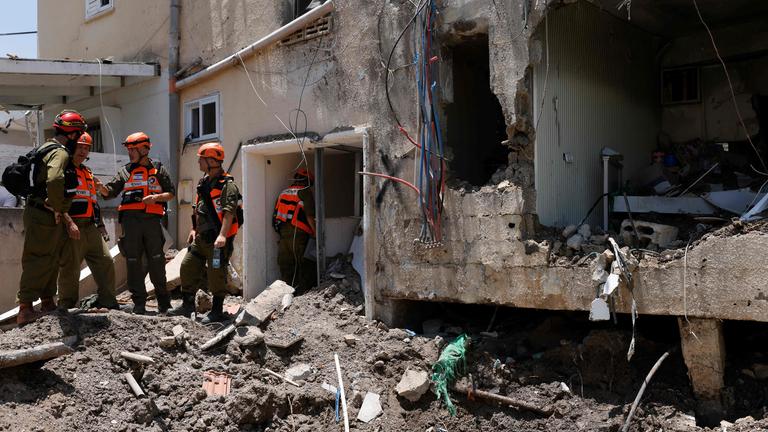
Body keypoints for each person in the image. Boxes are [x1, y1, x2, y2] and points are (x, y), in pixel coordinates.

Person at [16, 110, 85, 325]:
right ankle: (26, 308)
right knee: (38, 258)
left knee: (51, 258)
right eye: (79, 134)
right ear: (72, 134)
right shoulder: (60, 153)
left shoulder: (46, 147)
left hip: (42, 212)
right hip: (43, 214)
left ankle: (47, 302)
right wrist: (57, 208)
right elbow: (55, 179)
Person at [97, 132, 175, 315]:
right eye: (129, 150)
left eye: (133, 149)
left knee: (156, 261)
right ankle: (139, 303)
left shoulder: (158, 169)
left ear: (144, 149)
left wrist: (156, 197)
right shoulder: (125, 171)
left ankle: (164, 302)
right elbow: (109, 192)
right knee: (133, 262)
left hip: (152, 222)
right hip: (130, 223)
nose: (130, 153)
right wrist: (101, 188)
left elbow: (171, 193)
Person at [168, 143, 242, 323]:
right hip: (201, 239)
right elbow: (197, 208)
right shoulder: (204, 183)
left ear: (211, 161)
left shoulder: (228, 186)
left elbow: (229, 212)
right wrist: (193, 229)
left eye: (201, 159)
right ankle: (187, 307)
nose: (198, 162)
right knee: (187, 266)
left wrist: (223, 235)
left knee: (216, 273)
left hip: (217, 240)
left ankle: (217, 310)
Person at [57, 133, 118, 310]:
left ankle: (108, 302)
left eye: (87, 148)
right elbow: (56, 200)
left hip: (90, 227)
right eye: (80, 146)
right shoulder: (64, 170)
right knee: (71, 269)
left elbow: (93, 201)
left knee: (106, 261)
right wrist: (69, 222)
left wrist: (100, 225)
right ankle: (66, 307)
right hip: (72, 225)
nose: (83, 151)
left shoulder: (87, 172)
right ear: (72, 147)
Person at [272, 168, 316, 292]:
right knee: (303, 264)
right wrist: (316, 233)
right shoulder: (305, 192)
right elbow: (309, 215)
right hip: (299, 233)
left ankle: (286, 292)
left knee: (286, 264)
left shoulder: (283, 192)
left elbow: (275, 215)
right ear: (308, 181)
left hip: (283, 234)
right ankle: (302, 293)